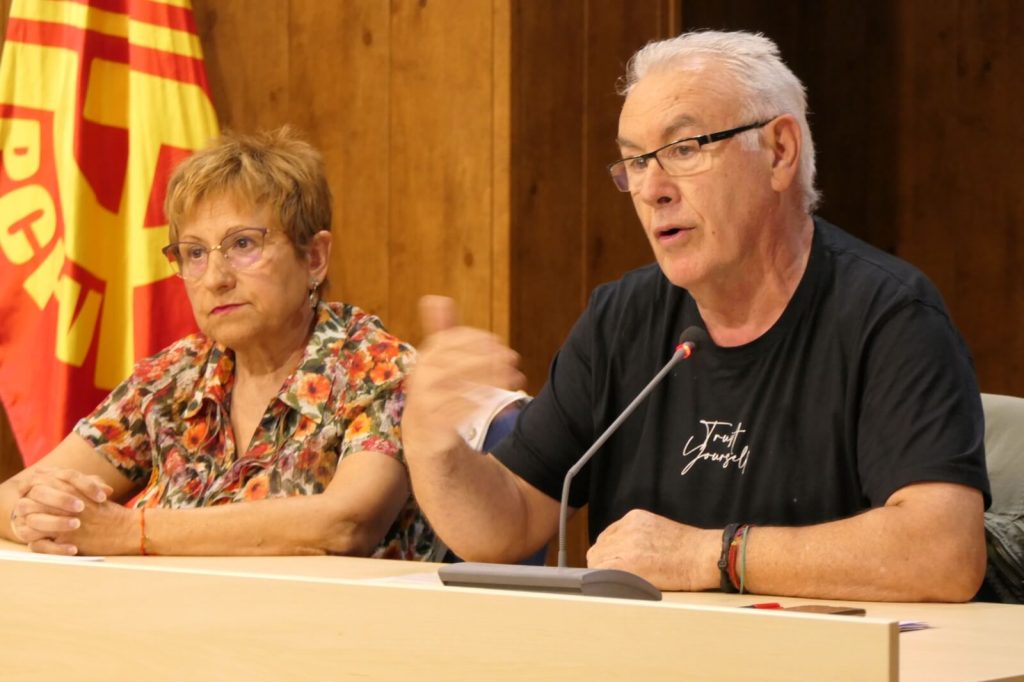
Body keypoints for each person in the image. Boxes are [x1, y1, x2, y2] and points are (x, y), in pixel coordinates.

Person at [401, 30, 991, 601]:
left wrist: (708, 555)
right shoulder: (620, 319)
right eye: (634, 162)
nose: (652, 189)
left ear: (779, 152)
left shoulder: (889, 317)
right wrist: (434, 446)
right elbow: (504, 529)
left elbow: (942, 553)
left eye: (683, 150)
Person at [0, 127, 437, 560]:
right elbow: (14, 495)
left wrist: (130, 531)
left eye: (243, 244)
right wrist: (41, 517)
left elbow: (345, 523)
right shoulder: (173, 379)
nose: (215, 278)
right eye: (193, 253)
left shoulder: (376, 365)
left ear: (315, 257)